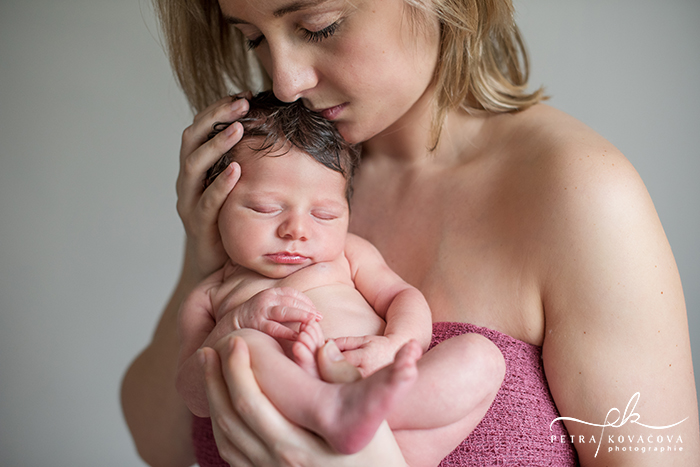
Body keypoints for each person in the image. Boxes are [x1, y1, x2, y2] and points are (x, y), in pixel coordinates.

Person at [121, 0, 700, 466]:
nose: (285, 80)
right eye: (253, 36)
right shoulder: (282, 190)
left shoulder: (580, 194)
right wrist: (205, 258)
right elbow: (165, 447)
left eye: (318, 26)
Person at [176, 92, 504, 465]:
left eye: (325, 214)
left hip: (386, 427)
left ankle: (366, 426)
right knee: (241, 346)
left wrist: (397, 343)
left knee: (483, 356)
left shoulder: (348, 253)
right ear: (216, 203)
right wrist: (236, 322)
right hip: (288, 428)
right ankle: (326, 409)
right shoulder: (212, 293)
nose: (296, 230)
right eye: (265, 208)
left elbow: (401, 297)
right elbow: (192, 393)